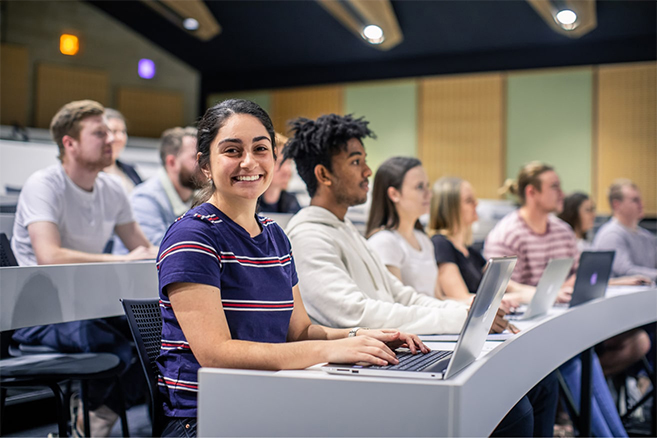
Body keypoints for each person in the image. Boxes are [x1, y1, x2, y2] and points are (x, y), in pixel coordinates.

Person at [155, 100, 427, 437]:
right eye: (231, 150)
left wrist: (361, 336)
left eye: (260, 148)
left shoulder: (274, 235)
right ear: (205, 165)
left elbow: (299, 332)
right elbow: (217, 354)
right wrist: (332, 349)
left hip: (270, 401)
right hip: (207, 419)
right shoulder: (192, 235)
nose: (249, 161)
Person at [283, 115, 552, 437]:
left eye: (365, 161)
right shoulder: (309, 235)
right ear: (323, 174)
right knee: (514, 410)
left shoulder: (346, 231)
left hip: (391, 355)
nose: (368, 171)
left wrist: (464, 313)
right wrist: (460, 319)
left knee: (540, 383)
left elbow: (402, 295)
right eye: (356, 162)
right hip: (360, 373)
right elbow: (353, 313)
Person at [10, 100, 158, 436]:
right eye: (99, 133)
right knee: (118, 348)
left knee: (158, 341)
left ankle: (92, 418)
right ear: (69, 143)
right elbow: (49, 256)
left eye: (109, 132)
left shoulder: (113, 189)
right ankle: (89, 423)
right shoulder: (44, 184)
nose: (110, 140)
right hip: (37, 316)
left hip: (87, 310)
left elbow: (143, 246)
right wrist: (123, 260)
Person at [484, 161, 649, 437]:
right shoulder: (507, 232)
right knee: (577, 359)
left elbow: (576, 275)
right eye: (554, 187)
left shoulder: (561, 230)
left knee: (590, 353)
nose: (562, 193)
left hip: (558, 318)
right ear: (531, 192)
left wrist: (574, 285)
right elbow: (501, 283)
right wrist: (543, 293)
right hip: (523, 324)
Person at [429, 176, 534, 304]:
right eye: (469, 200)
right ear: (450, 209)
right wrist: (515, 298)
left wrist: (539, 293)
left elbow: (507, 286)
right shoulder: (440, 244)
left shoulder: (469, 250)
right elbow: (461, 298)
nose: (476, 203)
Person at [114, 126, 200, 253]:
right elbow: (162, 254)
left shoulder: (202, 197)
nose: (206, 164)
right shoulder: (144, 200)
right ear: (171, 162)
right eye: (196, 158)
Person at [593, 179, 657, 282]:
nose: (641, 204)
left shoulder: (646, 235)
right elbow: (626, 271)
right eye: (635, 200)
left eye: (640, 200)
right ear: (616, 205)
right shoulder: (611, 234)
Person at [257, 132, 301, 214]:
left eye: (289, 163)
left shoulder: (292, 202)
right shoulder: (248, 204)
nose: (287, 170)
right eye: (280, 162)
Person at [102, 108, 143, 193]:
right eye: (114, 131)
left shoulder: (130, 169)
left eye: (123, 132)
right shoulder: (90, 172)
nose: (120, 138)